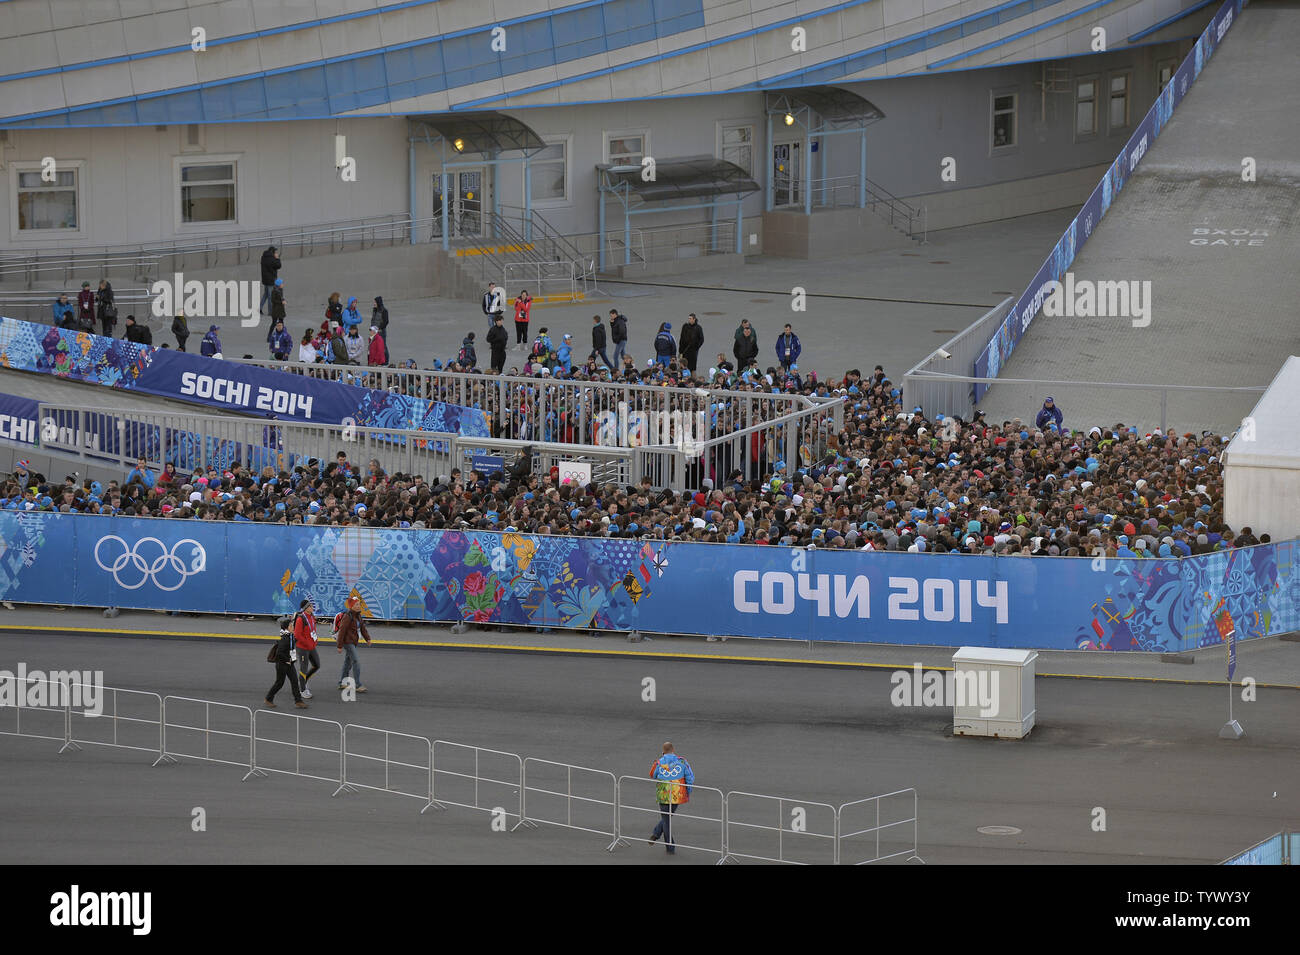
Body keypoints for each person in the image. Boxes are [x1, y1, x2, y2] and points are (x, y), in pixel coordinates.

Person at [647, 741, 693, 855]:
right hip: (678, 794)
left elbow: (652, 774)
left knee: (666, 819)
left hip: (663, 794)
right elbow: (690, 777)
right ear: (674, 750)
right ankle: (668, 845)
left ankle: (659, 836)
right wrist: (688, 792)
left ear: (663, 751)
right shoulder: (682, 761)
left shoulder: (659, 762)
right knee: (667, 819)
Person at [266, 616, 308, 709]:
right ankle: (268, 699)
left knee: (294, 681)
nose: (293, 627)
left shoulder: (291, 636)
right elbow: (279, 653)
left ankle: (298, 701)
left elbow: (296, 639)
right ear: (287, 628)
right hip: (282, 664)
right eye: (291, 626)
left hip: (289, 663)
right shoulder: (285, 639)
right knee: (279, 683)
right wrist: (287, 660)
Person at [335, 597, 371, 692]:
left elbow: (363, 628)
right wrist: (339, 645)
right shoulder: (347, 616)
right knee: (356, 661)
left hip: (354, 642)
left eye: (359, 604)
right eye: (357, 604)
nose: (359, 606)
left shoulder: (358, 615)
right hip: (348, 642)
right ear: (352, 606)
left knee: (348, 662)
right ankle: (358, 685)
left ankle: (342, 683)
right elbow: (342, 631)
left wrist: (367, 638)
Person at [293, 598, 320, 699]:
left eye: (311, 606)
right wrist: (307, 643)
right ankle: (303, 689)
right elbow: (297, 635)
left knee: (317, 665)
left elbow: (313, 629)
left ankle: (304, 681)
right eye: (310, 606)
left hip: (311, 646)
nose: (312, 607)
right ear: (305, 608)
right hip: (303, 648)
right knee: (303, 668)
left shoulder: (312, 616)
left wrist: (315, 639)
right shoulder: (301, 619)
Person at [259, 245, 281, 315]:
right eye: (275, 251)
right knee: (270, 297)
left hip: (265, 279)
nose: (276, 253)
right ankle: (271, 312)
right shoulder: (272, 258)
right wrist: (277, 258)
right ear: (272, 252)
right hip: (271, 280)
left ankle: (259, 308)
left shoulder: (263, 257)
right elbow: (278, 266)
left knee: (265, 294)